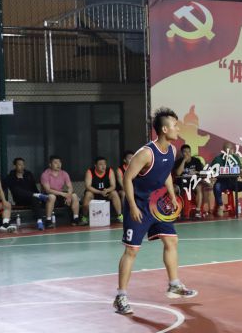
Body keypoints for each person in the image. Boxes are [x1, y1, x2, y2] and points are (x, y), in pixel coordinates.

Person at [113, 107, 197, 315]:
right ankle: (120, 296)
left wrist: (172, 195)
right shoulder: (146, 153)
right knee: (132, 250)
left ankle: (174, 284)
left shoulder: (172, 150)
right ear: (164, 129)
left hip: (156, 205)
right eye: (175, 125)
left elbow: (166, 173)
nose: (178, 129)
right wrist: (132, 206)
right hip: (139, 206)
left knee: (171, 241)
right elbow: (127, 178)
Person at [210, 142, 242, 217]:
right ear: (223, 150)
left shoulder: (235, 158)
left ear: (233, 150)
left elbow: (241, 170)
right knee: (216, 186)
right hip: (222, 182)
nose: (228, 152)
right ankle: (221, 206)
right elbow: (212, 171)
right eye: (226, 150)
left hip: (234, 182)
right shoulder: (218, 159)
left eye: (230, 150)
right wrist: (212, 178)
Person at [4, 157, 55, 230]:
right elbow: (6, 189)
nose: (22, 166)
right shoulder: (10, 177)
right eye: (19, 164)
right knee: (17, 189)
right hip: (20, 200)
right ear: (14, 166)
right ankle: (37, 196)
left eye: (23, 164)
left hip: (33, 199)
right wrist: (3, 200)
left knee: (37, 198)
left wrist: (38, 195)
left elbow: (34, 187)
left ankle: (41, 221)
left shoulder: (28, 174)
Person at [80, 156, 123, 225]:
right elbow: (88, 186)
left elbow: (113, 186)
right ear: (95, 165)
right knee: (88, 194)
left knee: (114, 193)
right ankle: (84, 217)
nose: (103, 166)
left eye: (104, 164)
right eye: (100, 164)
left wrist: (107, 190)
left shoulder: (109, 171)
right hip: (94, 193)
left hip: (106, 193)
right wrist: (100, 192)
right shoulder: (90, 171)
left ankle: (120, 215)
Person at [40, 155, 81, 226]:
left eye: (59, 162)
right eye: (55, 162)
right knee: (52, 197)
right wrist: (63, 194)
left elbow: (70, 187)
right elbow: (48, 190)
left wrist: (69, 196)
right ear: (50, 165)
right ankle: (48, 220)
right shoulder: (45, 174)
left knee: (74, 195)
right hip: (47, 196)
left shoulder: (64, 173)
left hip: (59, 195)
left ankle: (76, 219)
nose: (58, 164)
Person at [174, 144, 211, 219]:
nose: (187, 154)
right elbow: (178, 173)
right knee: (173, 189)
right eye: (185, 152)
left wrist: (196, 172)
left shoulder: (196, 161)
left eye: (189, 152)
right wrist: (184, 161)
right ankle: (177, 210)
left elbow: (202, 172)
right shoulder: (178, 161)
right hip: (181, 183)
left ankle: (197, 211)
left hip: (193, 182)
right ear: (182, 153)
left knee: (199, 187)